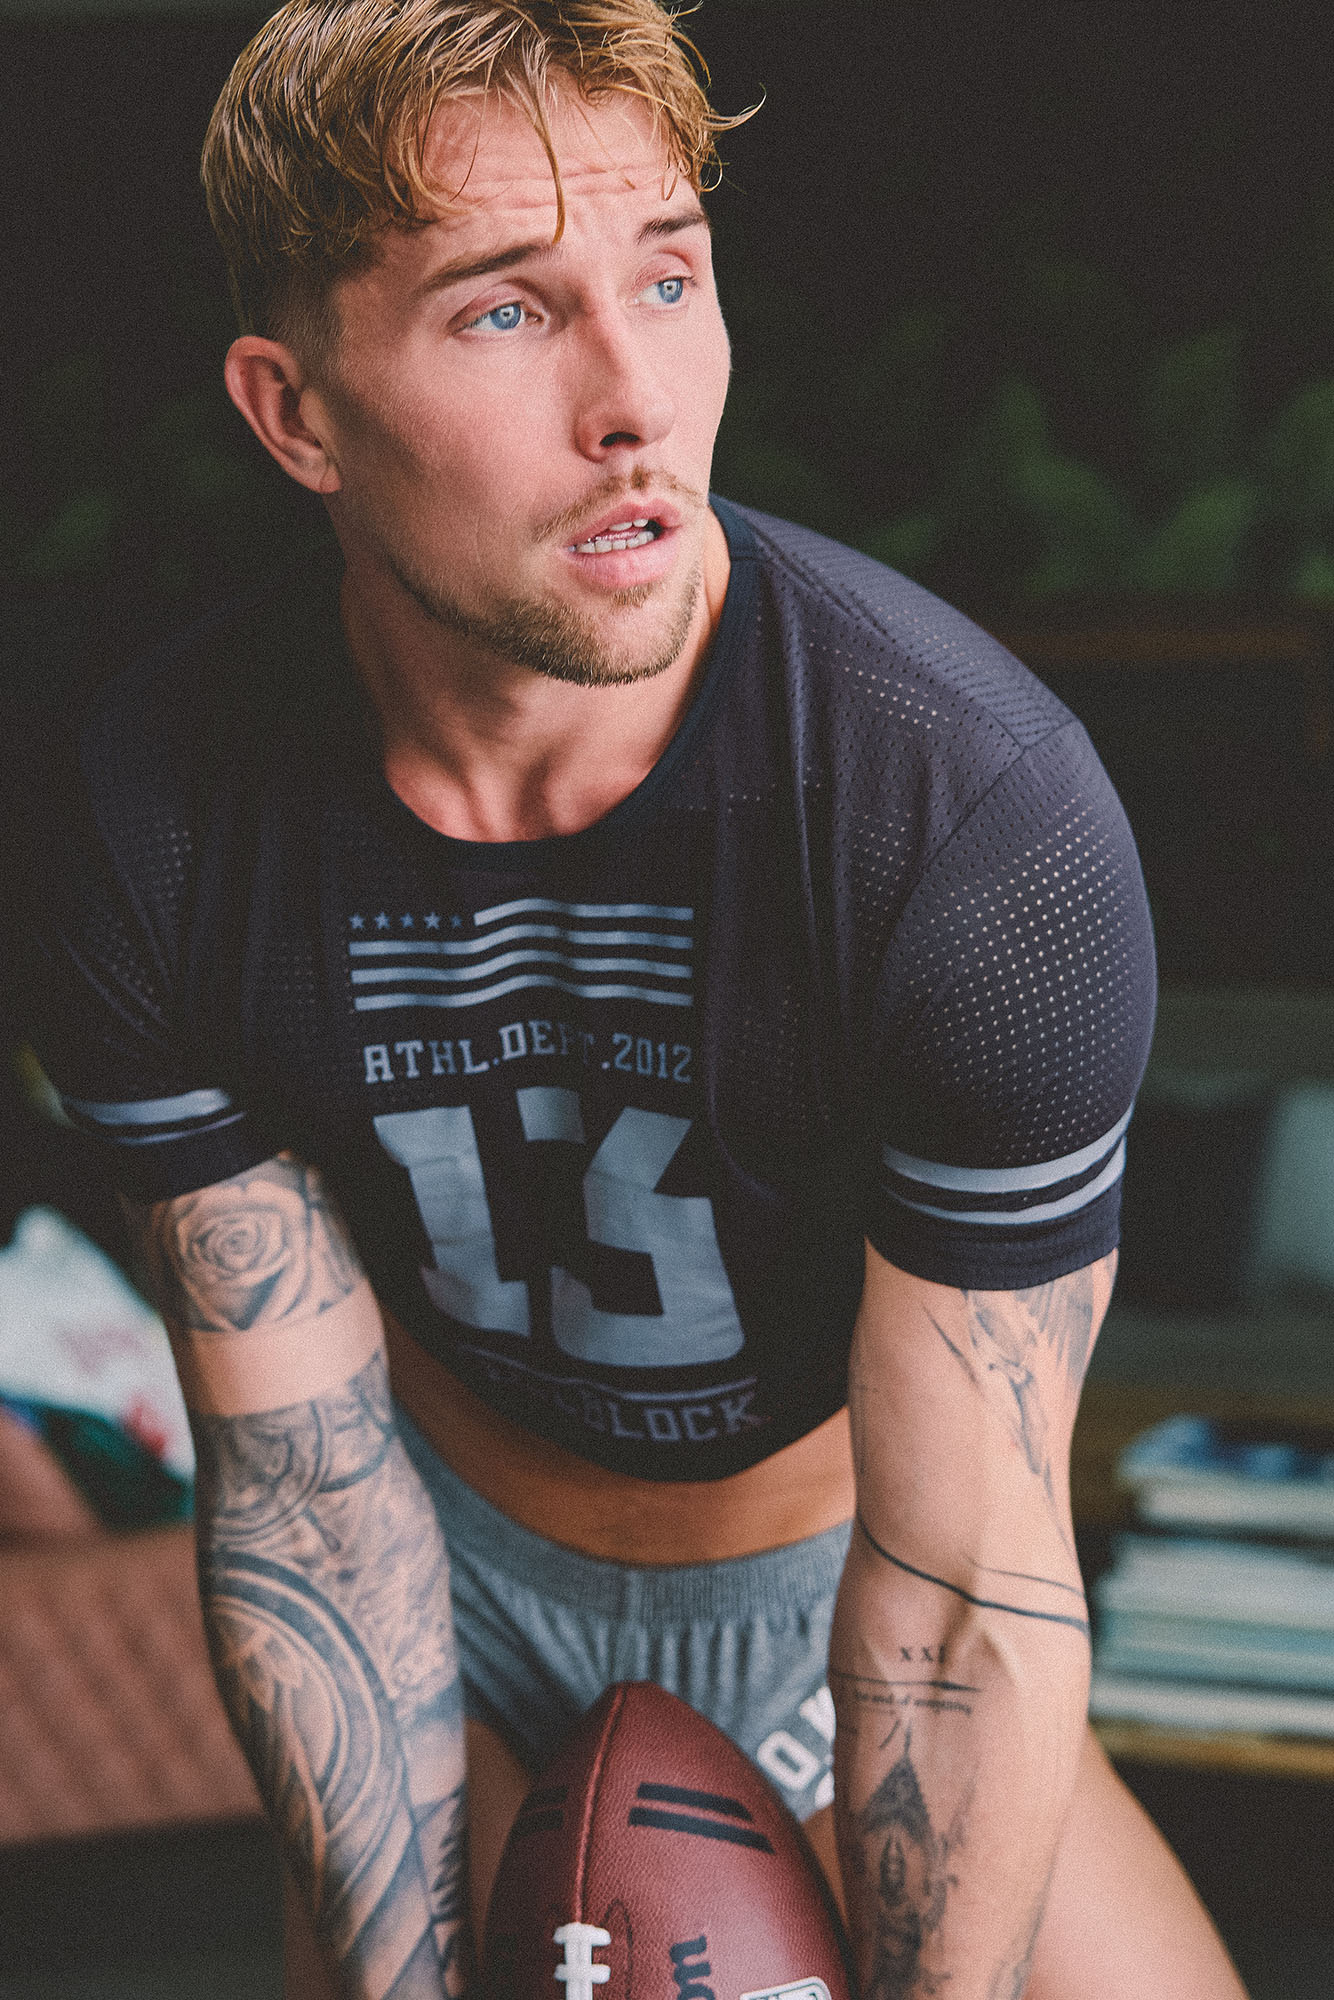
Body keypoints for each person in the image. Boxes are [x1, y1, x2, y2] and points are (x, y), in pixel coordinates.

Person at [25, 3, 1247, 1995]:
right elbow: (310, 1495)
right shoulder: (156, 819)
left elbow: (959, 1578)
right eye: (506, 312)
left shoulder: (960, 816)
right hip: (445, 1592)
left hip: (853, 1586)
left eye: (668, 279)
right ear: (295, 414)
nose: (635, 403)